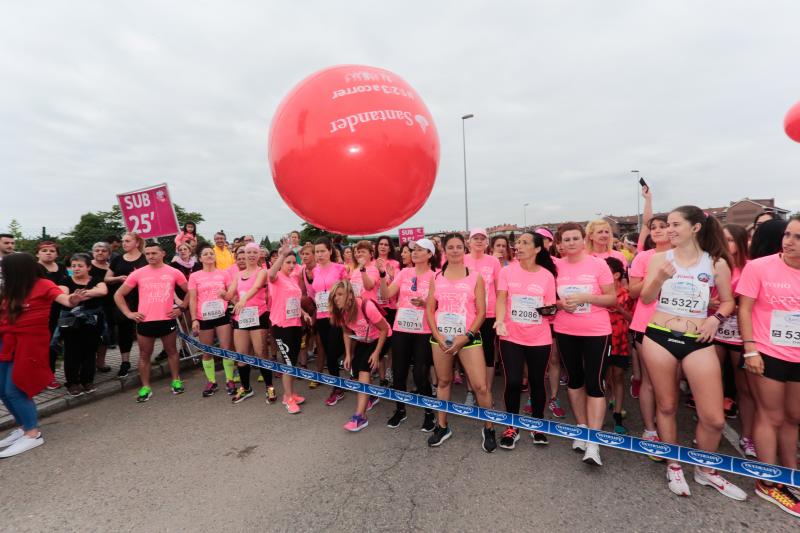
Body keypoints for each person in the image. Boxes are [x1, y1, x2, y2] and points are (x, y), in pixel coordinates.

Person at [640, 205, 746, 500]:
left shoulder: (716, 263)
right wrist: (659, 277)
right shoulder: (660, 259)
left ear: (695, 227)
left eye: (675, 224)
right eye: (667, 225)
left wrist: (715, 319)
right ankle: (674, 464)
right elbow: (647, 298)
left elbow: (728, 302)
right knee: (668, 406)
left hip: (698, 340)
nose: (668, 230)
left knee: (713, 417)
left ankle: (705, 469)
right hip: (659, 336)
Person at [737, 215, 800, 516]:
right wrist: (750, 350)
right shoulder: (759, 267)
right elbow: (745, 309)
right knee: (771, 415)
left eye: (798, 238)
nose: (789, 241)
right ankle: (768, 480)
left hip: (798, 356)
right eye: (788, 234)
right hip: (766, 352)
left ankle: (791, 474)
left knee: (793, 417)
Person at [0, 253, 88, 458]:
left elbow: (64, 298)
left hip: (30, 342)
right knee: (2, 391)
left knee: (15, 389)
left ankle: (33, 434)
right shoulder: (9, 288)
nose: (2, 271)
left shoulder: (43, 284)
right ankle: (23, 428)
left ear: (17, 269)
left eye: (5, 268)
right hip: (6, 341)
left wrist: (73, 300)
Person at [552, 222, 616, 466]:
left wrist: (587, 297)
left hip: (596, 332)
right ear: (561, 243)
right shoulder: (556, 266)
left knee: (595, 384)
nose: (570, 243)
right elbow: (548, 298)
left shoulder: (598, 264)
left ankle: (594, 442)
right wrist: (560, 305)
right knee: (574, 380)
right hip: (565, 330)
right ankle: (581, 428)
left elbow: (611, 298)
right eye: (566, 239)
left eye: (574, 238)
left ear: (583, 240)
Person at [426, 233, 496, 452]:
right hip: (441, 338)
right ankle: (442, 425)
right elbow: (429, 309)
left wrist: (466, 336)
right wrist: (437, 335)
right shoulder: (436, 277)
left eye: (458, 247)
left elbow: (482, 312)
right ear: (444, 250)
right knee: (443, 382)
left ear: (463, 249)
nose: (455, 250)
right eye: (450, 247)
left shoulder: (475, 276)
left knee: (480, 386)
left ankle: (489, 427)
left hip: (468, 336)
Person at [494, 231, 557, 448]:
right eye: (517, 242)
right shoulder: (507, 272)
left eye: (524, 243)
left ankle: (537, 423)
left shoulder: (547, 276)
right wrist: (500, 320)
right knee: (512, 381)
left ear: (537, 249)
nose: (518, 246)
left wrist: (549, 310)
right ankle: (512, 425)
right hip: (511, 335)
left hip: (539, 337)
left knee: (537, 381)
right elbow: (501, 299)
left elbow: (550, 308)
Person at [113, 242, 189, 402]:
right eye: (147, 254)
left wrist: (181, 308)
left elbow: (190, 291)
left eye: (154, 253)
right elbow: (118, 295)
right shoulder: (138, 273)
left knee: (172, 352)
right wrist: (128, 313)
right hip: (145, 321)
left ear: (163, 254)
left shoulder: (174, 272)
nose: (150, 256)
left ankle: (176, 380)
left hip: (166, 319)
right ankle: (146, 386)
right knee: (144, 355)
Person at [378, 238, 437, 430]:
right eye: (414, 249)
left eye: (420, 250)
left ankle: (429, 413)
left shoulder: (435, 276)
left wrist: (426, 303)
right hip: (402, 328)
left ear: (430, 254)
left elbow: (438, 303)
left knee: (420, 373)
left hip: (423, 330)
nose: (415, 252)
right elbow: (387, 294)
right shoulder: (404, 272)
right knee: (399, 372)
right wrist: (381, 275)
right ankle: (400, 410)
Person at [628, 213, 671, 454]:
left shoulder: (685, 257)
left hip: (676, 326)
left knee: (670, 383)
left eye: (663, 227)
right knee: (649, 380)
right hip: (645, 325)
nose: (657, 231)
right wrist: (656, 279)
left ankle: (668, 427)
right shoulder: (643, 257)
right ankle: (650, 429)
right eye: (653, 227)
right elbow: (633, 291)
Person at [713, 224, 756, 457]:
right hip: (716, 331)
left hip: (741, 335)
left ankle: (747, 436)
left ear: (740, 242)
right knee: (712, 383)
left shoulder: (752, 267)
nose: (725, 244)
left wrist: (736, 304)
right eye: (722, 239)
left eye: (729, 240)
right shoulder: (715, 264)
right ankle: (711, 431)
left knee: (745, 388)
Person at [329, 280, 391, 431]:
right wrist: (348, 355)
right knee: (355, 370)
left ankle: (360, 416)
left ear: (350, 295)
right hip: (364, 339)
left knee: (364, 369)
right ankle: (371, 396)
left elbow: (384, 329)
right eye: (334, 295)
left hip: (383, 337)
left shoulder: (366, 306)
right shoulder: (340, 310)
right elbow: (346, 332)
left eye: (340, 294)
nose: (336, 298)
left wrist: (377, 354)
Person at [228, 243, 275, 404]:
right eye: (249, 252)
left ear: (259, 255)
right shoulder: (238, 274)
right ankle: (246, 387)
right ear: (244, 254)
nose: (251, 255)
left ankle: (269, 386)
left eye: (255, 252)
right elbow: (230, 293)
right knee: (241, 354)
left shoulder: (262, 272)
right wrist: (223, 294)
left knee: (261, 352)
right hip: (241, 317)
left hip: (258, 315)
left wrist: (242, 300)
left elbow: (256, 287)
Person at [268, 243, 311, 414]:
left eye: (294, 262)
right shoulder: (276, 277)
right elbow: (270, 274)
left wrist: (303, 313)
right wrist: (281, 255)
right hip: (281, 326)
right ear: (281, 263)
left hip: (295, 324)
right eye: (288, 262)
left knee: (292, 362)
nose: (292, 265)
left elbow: (292, 301)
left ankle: (291, 392)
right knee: (287, 363)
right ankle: (287, 398)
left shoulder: (293, 279)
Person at [188, 244, 236, 397]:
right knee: (206, 350)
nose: (209, 256)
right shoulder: (195, 276)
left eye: (211, 253)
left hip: (221, 316)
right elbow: (193, 299)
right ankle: (211, 381)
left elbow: (230, 295)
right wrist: (194, 319)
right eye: (205, 254)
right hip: (204, 318)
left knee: (225, 349)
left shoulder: (224, 274)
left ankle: (229, 379)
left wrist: (227, 295)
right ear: (200, 258)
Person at [57, 254, 108, 396]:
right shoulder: (65, 280)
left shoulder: (96, 279)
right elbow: (64, 296)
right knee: (71, 352)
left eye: (80, 266)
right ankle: (72, 383)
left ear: (88, 267)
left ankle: (87, 381)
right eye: (73, 266)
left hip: (92, 322)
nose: (76, 268)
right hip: (70, 322)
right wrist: (77, 297)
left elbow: (103, 291)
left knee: (90, 351)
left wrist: (84, 293)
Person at [306, 237, 348, 405]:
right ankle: (338, 386)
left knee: (332, 352)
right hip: (322, 316)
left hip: (338, 316)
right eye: (317, 252)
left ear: (330, 251)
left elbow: (348, 291)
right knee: (328, 350)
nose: (319, 254)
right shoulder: (314, 271)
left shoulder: (340, 268)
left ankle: (341, 383)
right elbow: (312, 294)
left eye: (323, 251)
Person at [463, 228, 502, 404]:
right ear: (468, 242)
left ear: (487, 243)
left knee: (487, 352)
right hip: (467, 314)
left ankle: (486, 391)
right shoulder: (462, 260)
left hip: (489, 313)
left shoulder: (493, 261)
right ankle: (471, 391)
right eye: (475, 238)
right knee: (468, 352)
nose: (479, 241)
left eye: (482, 238)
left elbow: (499, 289)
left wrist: (501, 314)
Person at [105, 232, 147, 377]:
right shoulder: (117, 260)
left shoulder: (144, 259)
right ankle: (125, 362)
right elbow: (107, 278)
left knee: (143, 329)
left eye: (128, 241)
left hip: (143, 299)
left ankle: (144, 359)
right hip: (123, 299)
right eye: (123, 241)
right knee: (124, 330)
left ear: (136, 243)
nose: (124, 243)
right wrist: (119, 278)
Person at [604, 257, 634, 435]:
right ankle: (611, 398)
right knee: (607, 378)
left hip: (621, 342)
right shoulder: (599, 294)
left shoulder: (626, 294)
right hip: (603, 341)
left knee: (619, 377)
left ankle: (617, 416)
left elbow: (633, 319)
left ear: (616, 274)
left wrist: (620, 309)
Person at [36, 241, 67, 387]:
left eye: (52, 250)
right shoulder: (34, 268)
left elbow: (67, 285)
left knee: (56, 344)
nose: (48, 253)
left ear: (57, 254)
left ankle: (51, 375)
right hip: (42, 311)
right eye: (45, 250)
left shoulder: (61, 267)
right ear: (38, 253)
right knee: (43, 345)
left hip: (61, 310)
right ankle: (41, 377)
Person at [374, 236, 399, 386]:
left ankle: (390, 370)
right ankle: (381, 374)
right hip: (375, 307)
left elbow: (396, 284)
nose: (383, 247)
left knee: (390, 341)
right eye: (381, 244)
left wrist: (389, 275)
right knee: (378, 340)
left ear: (390, 248)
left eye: (386, 245)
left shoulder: (395, 264)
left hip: (390, 307)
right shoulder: (372, 263)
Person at [88, 242, 114, 372]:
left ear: (109, 253)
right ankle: (89, 363)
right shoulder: (87, 266)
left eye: (103, 250)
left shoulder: (111, 269)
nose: (100, 253)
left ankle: (101, 362)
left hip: (107, 305)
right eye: (97, 250)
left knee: (105, 335)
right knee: (90, 336)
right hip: (89, 304)